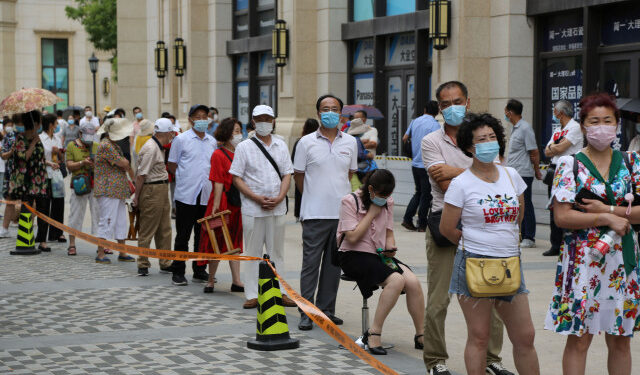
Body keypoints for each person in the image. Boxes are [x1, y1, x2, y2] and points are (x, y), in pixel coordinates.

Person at [421, 81, 511, 375]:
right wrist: (474, 170)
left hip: (484, 227)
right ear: (439, 108)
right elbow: (446, 186)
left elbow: (498, 176)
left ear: (468, 101)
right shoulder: (432, 142)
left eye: (457, 101)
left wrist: (456, 170)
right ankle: (435, 361)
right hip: (444, 227)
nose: (452, 108)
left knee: (492, 296)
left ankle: (491, 360)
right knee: (438, 301)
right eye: (445, 104)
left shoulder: (484, 135)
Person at [547, 93, 640, 375]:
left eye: (607, 121)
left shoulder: (632, 162)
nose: (602, 127)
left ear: (617, 124)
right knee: (579, 340)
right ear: (584, 126)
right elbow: (562, 216)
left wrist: (608, 208)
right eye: (594, 121)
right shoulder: (569, 164)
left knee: (621, 339)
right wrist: (604, 217)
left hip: (622, 261)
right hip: (584, 261)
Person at [439, 113, 539, 375]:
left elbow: (518, 215)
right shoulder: (461, 184)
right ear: (470, 147)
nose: (488, 143)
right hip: (474, 264)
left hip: (510, 264)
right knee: (480, 336)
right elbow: (447, 228)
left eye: (492, 137)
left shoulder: (512, 175)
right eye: (481, 139)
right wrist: (477, 242)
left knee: (525, 336)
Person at [337, 169, 425, 355]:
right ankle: (374, 332)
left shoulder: (388, 202)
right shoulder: (349, 201)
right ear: (371, 189)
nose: (386, 198)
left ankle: (421, 335)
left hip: (378, 254)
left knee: (413, 283)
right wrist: (372, 213)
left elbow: (389, 232)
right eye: (383, 195)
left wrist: (390, 248)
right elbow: (352, 238)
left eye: (389, 195)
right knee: (396, 280)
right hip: (353, 255)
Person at [293, 94, 358, 330]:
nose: (329, 112)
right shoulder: (306, 142)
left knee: (333, 266)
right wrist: (312, 195)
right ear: (318, 112)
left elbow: (349, 175)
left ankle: (326, 310)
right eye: (325, 108)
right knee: (310, 265)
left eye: (334, 108)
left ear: (341, 113)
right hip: (313, 214)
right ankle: (307, 311)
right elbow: (299, 176)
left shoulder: (350, 142)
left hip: (341, 215)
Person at [229, 105, 296, 308]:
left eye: (268, 118)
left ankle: (282, 291)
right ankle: (252, 294)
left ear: (274, 120)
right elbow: (237, 178)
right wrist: (256, 198)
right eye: (260, 119)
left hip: (277, 207)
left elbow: (287, 174)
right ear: (253, 121)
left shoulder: (281, 145)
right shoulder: (244, 146)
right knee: (253, 251)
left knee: (277, 252)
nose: (264, 122)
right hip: (253, 208)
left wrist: (281, 196)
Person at [167, 104, 217, 286]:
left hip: (205, 193)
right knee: (183, 235)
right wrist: (184, 177)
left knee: (202, 234)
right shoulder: (181, 140)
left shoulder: (211, 141)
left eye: (205, 116)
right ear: (190, 119)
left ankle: (199, 269)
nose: (202, 120)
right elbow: (172, 165)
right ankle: (178, 271)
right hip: (186, 194)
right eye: (198, 116)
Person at [198, 117, 245, 293]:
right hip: (222, 202)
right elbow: (217, 183)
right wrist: (216, 207)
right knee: (215, 239)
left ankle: (237, 280)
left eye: (240, 131)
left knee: (235, 241)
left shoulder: (241, 152)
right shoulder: (218, 154)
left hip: (236, 202)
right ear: (226, 133)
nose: (239, 135)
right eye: (236, 131)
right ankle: (210, 280)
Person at [132, 118, 175, 276]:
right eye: (171, 133)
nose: (172, 136)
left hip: (161, 187)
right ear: (166, 132)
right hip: (152, 189)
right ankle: (143, 262)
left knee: (165, 228)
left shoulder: (158, 146)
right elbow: (141, 175)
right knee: (148, 227)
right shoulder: (151, 148)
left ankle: (165, 261)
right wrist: (136, 197)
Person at [543, 99, 584, 257]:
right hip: (554, 170)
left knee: (567, 206)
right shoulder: (558, 130)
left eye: (555, 111)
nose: (553, 114)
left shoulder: (574, 128)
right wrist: (554, 148)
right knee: (553, 206)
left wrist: (554, 148)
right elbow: (546, 151)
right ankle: (555, 244)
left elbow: (561, 147)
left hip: (569, 172)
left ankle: (566, 242)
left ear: (560, 113)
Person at [93, 118, 136, 264]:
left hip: (116, 190)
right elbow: (123, 163)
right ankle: (100, 253)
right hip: (108, 189)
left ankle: (122, 252)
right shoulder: (106, 146)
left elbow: (124, 163)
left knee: (120, 222)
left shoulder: (113, 145)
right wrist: (126, 163)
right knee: (107, 220)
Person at [7, 111, 49, 244]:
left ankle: (42, 241)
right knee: (27, 210)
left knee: (43, 210)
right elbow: (24, 157)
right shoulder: (20, 138)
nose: (41, 125)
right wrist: (33, 143)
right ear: (35, 123)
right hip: (27, 181)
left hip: (41, 179)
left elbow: (41, 157)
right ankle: (26, 239)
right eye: (40, 122)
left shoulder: (38, 137)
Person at [504, 99, 541, 248]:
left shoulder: (525, 128)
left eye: (506, 111)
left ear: (510, 112)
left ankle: (529, 237)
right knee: (517, 204)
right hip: (514, 173)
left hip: (523, 173)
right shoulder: (516, 128)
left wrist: (537, 170)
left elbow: (534, 151)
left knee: (526, 203)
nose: (505, 114)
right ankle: (520, 233)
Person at [402, 100, 441, 232]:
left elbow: (404, 138)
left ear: (424, 110)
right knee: (426, 194)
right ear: (437, 112)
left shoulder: (415, 121)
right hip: (426, 164)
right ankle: (422, 224)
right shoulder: (435, 125)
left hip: (415, 163)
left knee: (419, 192)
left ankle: (407, 219)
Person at [65, 122, 100, 256]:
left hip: (94, 184)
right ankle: (72, 244)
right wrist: (82, 163)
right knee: (75, 214)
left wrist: (94, 165)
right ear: (80, 134)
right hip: (79, 183)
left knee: (98, 214)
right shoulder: (71, 146)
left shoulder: (96, 146)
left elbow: (102, 167)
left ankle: (101, 244)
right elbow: (69, 165)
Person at [35, 114, 65, 250]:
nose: (57, 124)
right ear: (50, 124)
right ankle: (42, 237)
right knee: (44, 206)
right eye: (55, 122)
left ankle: (57, 233)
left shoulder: (57, 138)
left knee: (58, 204)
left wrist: (58, 153)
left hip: (57, 176)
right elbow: (38, 158)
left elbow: (62, 158)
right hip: (45, 175)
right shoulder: (40, 138)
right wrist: (49, 163)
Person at [291, 119, 320, 220]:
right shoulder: (319, 143)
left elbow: (293, 163)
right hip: (315, 181)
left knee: (303, 212)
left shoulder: (300, 142)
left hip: (302, 182)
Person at [0, 118, 17, 238]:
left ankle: (26, 226)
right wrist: (12, 151)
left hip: (28, 173)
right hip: (11, 173)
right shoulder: (9, 137)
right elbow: (4, 155)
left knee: (31, 202)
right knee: (10, 200)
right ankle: (4, 228)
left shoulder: (32, 136)